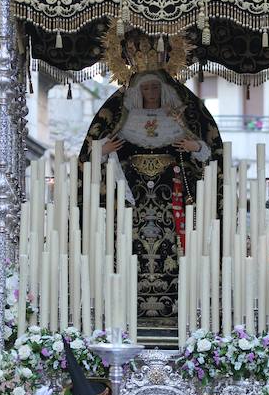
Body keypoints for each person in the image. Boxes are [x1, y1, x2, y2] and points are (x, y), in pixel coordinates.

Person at [79, 67, 222, 327]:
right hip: (131, 205)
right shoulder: (123, 119)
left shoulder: (178, 118)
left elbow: (208, 154)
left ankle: (179, 309)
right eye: (146, 88)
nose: (151, 93)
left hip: (172, 199)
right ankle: (124, 310)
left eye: (155, 87)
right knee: (126, 251)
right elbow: (93, 157)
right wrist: (103, 149)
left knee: (175, 253)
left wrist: (194, 146)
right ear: (138, 92)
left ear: (164, 90)